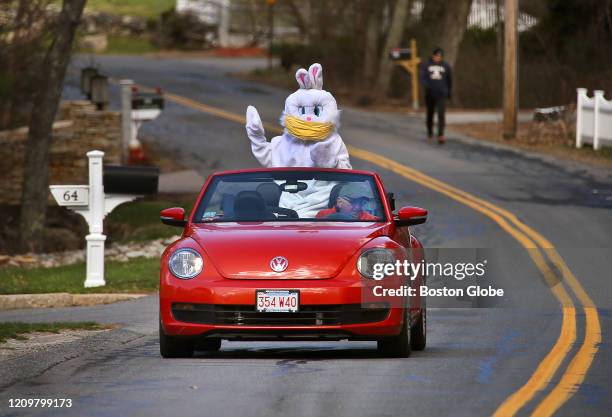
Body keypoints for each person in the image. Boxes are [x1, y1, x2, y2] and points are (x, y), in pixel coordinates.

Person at [419, 47, 452, 144]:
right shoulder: (426, 65)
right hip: (430, 94)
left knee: (441, 114)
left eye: (440, 56)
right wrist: (427, 86)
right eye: (436, 56)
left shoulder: (446, 66)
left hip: (442, 94)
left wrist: (449, 92)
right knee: (430, 114)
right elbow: (422, 78)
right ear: (433, 56)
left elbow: (449, 80)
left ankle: (441, 135)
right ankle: (430, 133)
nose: (438, 58)